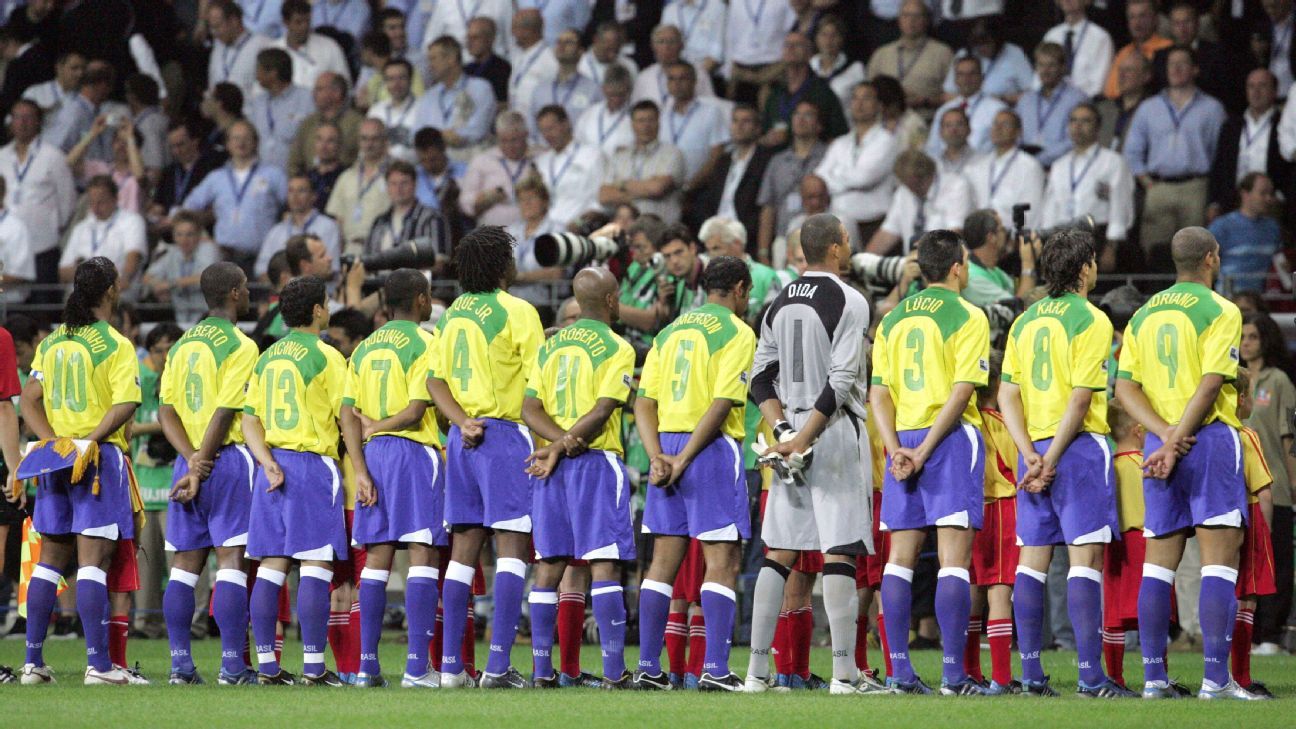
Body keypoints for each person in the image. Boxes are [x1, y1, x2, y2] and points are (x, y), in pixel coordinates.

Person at [1114, 226, 1258, 700]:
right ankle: (1215, 681)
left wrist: (1161, 435)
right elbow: (1214, 381)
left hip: (1158, 450)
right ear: (1212, 259)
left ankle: (1154, 679)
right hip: (1208, 442)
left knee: (1158, 565)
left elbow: (1124, 389)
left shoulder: (1142, 315)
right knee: (1219, 563)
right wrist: (1178, 438)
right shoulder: (1221, 310)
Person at [743, 213, 879, 695]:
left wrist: (784, 429)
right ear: (837, 249)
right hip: (833, 430)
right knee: (839, 549)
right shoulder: (851, 299)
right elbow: (842, 381)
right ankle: (845, 674)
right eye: (846, 239)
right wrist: (805, 437)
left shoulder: (778, 301)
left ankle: (757, 673)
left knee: (779, 552)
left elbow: (759, 377)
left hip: (790, 431)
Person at [997, 229, 1131, 698]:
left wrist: (1029, 454)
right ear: (1084, 268)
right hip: (1074, 452)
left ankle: (1032, 674)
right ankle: (1091, 676)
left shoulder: (1025, 321)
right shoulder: (1092, 320)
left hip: (1030, 448)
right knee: (1085, 559)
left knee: (1031, 562)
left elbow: (1006, 394)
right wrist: (1051, 458)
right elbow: (1078, 402)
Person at [869, 229, 990, 695]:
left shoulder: (894, 317)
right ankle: (953, 675)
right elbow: (963, 390)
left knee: (899, 561)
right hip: (949, 439)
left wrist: (896, 445)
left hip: (901, 440)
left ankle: (899, 671)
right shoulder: (968, 314)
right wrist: (923, 450)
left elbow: (878, 392)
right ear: (959, 266)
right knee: (953, 561)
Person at [427, 226, 545, 689]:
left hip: (463, 441)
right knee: (513, 548)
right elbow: (536, 387)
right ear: (501, 265)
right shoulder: (518, 311)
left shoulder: (454, 313)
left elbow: (435, 381)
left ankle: (453, 668)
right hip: (505, 436)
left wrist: (460, 421)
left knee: (463, 553)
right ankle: (497, 666)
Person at [634, 256, 756, 692]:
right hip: (708, 450)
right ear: (739, 289)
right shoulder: (739, 332)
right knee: (721, 560)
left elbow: (643, 402)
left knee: (663, 562)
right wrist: (685, 458)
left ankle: (649, 666)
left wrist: (657, 458)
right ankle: (716, 670)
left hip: (665, 446)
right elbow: (723, 401)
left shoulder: (669, 333)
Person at [19, 257, 141, 685]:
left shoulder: (52, 343)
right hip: (96, 461)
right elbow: (126, 403)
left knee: (49, 562)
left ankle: (32, 663)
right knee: (93, 561)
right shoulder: (116, 344)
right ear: (110, 290)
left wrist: (56, 443)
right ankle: (99, 666)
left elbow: (28, 399)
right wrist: (88, 441)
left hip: (57, 460)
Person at [520, 267, 637, 688]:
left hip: (550, 467)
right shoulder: (618, 347)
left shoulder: (549, 348)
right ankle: (612, 672)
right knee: (603, 562)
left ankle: (541, 672)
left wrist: (553, 445)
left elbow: (529, 410)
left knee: (548, 565)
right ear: (610, 301)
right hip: (594, 461)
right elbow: (605, 408)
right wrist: (569, 442)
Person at [336, 270, 445, 689]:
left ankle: (367, 667)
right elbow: (418, 409)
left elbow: (348, 413)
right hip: (412, 451)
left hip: (372, 459)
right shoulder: (426, 342)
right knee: (421, 552)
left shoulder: (364, 348)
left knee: (377, 559)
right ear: (420, 300)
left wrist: (360, 470)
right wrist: (380, 427)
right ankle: (418, 667)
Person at [243, 276, 350, 686]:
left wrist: (266, 461)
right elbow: (345, 417)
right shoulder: (327, 356)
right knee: (315, 564)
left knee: (272, 564)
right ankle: (313, 666)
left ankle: (268, 665)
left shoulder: (267, 357)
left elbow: (250, 419)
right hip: (311, 465)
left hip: (271, 466)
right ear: (318, 310)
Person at [155, 262, 258, 685]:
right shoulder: (240, 345)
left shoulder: (181, 345)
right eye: (247, 287)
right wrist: (203, 460)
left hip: (187, 462)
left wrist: (190, 459)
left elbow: (165, 410)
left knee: (184, 566)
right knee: (230, 562)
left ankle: (181, 665)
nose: (249, 292)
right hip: (226, 461)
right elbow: (226, 410)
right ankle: (233, 666)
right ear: (234, 293)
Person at [1124, 46, 1227, 265]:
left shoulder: (1213, 109)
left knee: (1195, 257)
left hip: (1196, 189)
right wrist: (1147, 182)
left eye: (1183, 63)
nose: (1176, 69)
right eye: (1172, 64)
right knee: (1154, 255)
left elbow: (1222, 156)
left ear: (1195, 69)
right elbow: (1131, 151)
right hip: (1158, 188)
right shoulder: (1148, 108)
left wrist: (1214, 196)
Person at [1239, 312, 1296, 658]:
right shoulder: (1235, 379)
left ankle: (1271, 634)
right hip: (1241, 490)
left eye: (1253, 337)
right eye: (1242, 337)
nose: (1246, 343)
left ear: (1267, 341)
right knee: (1249, 562)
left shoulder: (1280, 382)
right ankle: (1252, 631)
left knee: (1276, 562)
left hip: (1275, 488)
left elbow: (1290, 436)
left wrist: (1292, 484)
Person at [966, 352, 1020, 692]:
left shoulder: (962, 424)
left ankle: (969, 670)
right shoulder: (1000, 423)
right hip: (999, 507)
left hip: (964, 514)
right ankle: (1001, 676)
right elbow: (1018, 469)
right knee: (1000, 590)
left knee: (970, 591)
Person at [182, 119, 289, 272]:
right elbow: (189, 206)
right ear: (228, 144)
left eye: (246, 138)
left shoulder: (273, 175)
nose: (241, 143)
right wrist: (203, 236)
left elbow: (290, 206)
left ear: (256, 142)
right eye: (236, 138)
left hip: (263, 257)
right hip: (224, 257)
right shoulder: (216, 177)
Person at [1041, 103, 1136, 272]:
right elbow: (1050, 208)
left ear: (1098, 127)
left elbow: (1120, 206)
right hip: (1063, 238)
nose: (1078, 126)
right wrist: (1048, 244)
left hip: (1097, 236)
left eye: (1085, 121)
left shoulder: (1112, 162)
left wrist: (1111, 247)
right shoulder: (1059, 166)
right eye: (1073, 121)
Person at [1232, 370, 1278, 698]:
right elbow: (1264, 491)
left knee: (1221, 594)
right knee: (1245, 597)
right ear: (1241, 399)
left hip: (1212, 519)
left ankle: (1218, 673)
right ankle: (1241, 677)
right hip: (1248, 516)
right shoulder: (1246, 435)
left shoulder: (1205, 434)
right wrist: (1267, 532)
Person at [815, 81, 899, 243]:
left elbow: (863, 178)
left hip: (873, 223)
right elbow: (819, 179)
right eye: (855, 98)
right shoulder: (840, 143)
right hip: (837, 219)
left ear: (879, 106)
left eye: (866, 98)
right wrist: (845, 177)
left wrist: (835, 175)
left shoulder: (887, 140)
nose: (859, 103)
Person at [688, 104, 773, 241]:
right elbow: (711, 198)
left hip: (744, 233)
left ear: (758, 128)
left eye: (746, 121)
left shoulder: (766, 161)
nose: (739, 126)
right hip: (715, 229)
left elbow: (762, 205)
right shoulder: (724, 160)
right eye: (735, 121)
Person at [867, 150, 974, 255]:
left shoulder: (957, 186)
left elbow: (953, 234)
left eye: (912, 183)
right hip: (912, 265)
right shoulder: (904, 192)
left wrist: (925, 264)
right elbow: (887, 233)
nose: (909, 188)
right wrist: (864, 260)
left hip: (947, 263)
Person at [756, 101, 826, 261]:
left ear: (819, 125)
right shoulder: (777, 161)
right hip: (783, 238)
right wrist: (763, 252)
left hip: (819, 238)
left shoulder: (829, 156)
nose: (801, 119)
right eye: (796, 114)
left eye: (808, 115)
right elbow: (768, 207)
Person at [1215, 70, 1289, 219]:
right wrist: (1215, 202)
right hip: (1234, 202)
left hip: (1271, 202)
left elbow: (1289, 165)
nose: (1256, 92)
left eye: (1262, 86)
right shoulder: (1231, 125)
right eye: (1251, 86)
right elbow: (1219, 165)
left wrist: (1281, 196)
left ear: (1274, 91)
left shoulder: (1285, 124)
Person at [599, 101, 686, 224]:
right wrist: (645, 188)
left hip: (661, 230)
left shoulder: (672, 154)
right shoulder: (619, 156)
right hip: (625, 230)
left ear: (658, 123)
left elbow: (657, 188)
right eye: (641, 121)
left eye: (651, 120)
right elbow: (604, 195)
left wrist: (620, 184)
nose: (646, 126)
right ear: (632, 124)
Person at [416, 35, 498, 163]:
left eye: (433, 59)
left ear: (451, 59)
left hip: (471, 161)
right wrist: (444, 137)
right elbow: (417, 134)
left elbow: (477, 130)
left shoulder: (480, 88)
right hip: (435, 165)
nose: (430, 66)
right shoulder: (428, 96)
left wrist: (435, 138)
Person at [759, 31, 847, 148]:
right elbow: (761, 135)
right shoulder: (775, 94)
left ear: (810, 54)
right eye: (787, 45)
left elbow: (839, 136)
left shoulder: (823, 92)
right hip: (776, 160)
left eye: (797, 45)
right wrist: (767, 139)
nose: (791, 48)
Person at [866, 1, 953, 119]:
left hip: (926, 120)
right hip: (886, 125)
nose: (911, 21)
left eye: (917, 16)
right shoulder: (882, 54)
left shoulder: (943, 53)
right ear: (898, 19)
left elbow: (954, 96)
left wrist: (925, 101)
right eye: (906, 15)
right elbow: (867, 93)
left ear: (927, 20)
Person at [59, 175, 146, 290]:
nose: (95, 207)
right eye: (92, 202)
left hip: (115, 294)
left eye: (101, 202)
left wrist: (121, 281)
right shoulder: (81, 228)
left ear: (115, 199)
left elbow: (134, 257)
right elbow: (63, 272)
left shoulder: (132, 221)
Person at [966, 111, 1044, 229]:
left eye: (1005, 124)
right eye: (995, 124)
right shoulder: (977, 165)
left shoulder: (1029, 166)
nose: (998, 128)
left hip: (1010, 237)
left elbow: (1029, 210)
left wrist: (1014, 239)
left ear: (1018, 132)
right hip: (977, 237)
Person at [143, 211, 221, 327]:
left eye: (190, 234)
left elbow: (206, 277)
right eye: (179, 234)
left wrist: (171, 284)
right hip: (181, 317)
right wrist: (158, 287)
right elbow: (147, 277)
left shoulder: (209, 249)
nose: (184, 239)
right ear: (173, 236)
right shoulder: (172, 254)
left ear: (199, 235)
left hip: (210, 316)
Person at [1016, 43, 1088, 168]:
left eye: (1051, 65)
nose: (1045, 71)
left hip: (1062, 166)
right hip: (1023, 166)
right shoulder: (1026, 100)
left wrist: (1039, 160)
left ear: (1063, 67)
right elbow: (1014, 132)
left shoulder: (1078, 99)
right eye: (1041, 65)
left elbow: (1075, 139)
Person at [1208, 172, 1282, 293]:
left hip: (1263, 301)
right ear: (1245, 194)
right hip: (1229, 299)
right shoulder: (1221, 226)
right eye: (1263, 193)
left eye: (1271, 194)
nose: (1269, 198)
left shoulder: (1273, 228)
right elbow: (1205, 265)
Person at [257, 174, 342, 279]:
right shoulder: (276, 231)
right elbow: (261, 270)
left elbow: (332, 269)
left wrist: (300, 285)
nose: (295, 196)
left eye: (301, 190)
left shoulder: (328, 227)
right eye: (291, 191)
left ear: (313, 196)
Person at [659, 62, 728, 188]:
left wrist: (691, 186)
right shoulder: (662, 115)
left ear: (694, 81)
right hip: (664, 189)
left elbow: (717, 155)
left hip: (700, 189)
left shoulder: (711, 112)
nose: (677, 83)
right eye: (672, 79)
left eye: (682, 78)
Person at [326, 118, 392, 249]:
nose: (369, 144)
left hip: (383, 249)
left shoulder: (395, 176)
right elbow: (338, 222)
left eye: (375, 139)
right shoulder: (346, 177)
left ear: (385, 141)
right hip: (351, 249)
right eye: (364, 139)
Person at [459, 111, 532, 229]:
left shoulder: (538, 159)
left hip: (530, 233)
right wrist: (485, 200)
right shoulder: (482, 160)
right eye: (503, 140)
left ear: (525, 135)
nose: (509, 146)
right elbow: (465, 203)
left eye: (514, 140)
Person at [534, 105, 602, 230]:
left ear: (566, 124)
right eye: (543, 130)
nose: (547, 135)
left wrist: (580, 223)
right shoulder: (541, 162)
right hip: (545, 230)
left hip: (578, 229)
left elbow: (599, 200)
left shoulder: (591, 155)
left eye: (551, 128)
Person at [365, 160, 448, 263]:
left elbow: (439, 262)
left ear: (415, 184)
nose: (398, 189)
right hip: (380, 279)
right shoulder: (379, 222)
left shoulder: (432, 218)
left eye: (404, 183)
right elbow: (367, 260)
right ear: (387, 187)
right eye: (393, 184)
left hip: (416, 278)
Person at [926, 56, 1007, 159]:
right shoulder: (943, 110)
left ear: (982, 78)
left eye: (972, 74)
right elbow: (932, 148)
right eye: (961, 74)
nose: (966, 79)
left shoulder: (998, 110)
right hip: (946, 169)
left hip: (982, 169)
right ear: (955, 79)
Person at [249, 48, 314, 171]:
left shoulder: (307, 99)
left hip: (295, 176)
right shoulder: (257, 102)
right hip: (261, 175)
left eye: (259, 69)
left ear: (273, 73)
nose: (256, 75)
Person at [505, 177, 563, 315]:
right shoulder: (511, 231)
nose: (526, 204)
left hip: (544, 305)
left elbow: (556, 273)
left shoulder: (556, 231)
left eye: (531, 198)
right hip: (511, 305)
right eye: (521, 200)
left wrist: (521, 277)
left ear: (545, 201)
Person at [960, 209, 1037, 312]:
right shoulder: (972, 278)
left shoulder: (992, 269)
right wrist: (1028, 263)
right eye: (1002, 229)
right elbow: (1020, 309)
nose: (1006, 234)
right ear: (991, 237)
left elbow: (1018, 293)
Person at [288, 72, 364, 176]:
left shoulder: (357, 123)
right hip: (310, 187)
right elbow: (294, 162)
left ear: (337, 93)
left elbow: (363, 160)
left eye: (319, 89)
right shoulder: (308, 123)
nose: (313, 93)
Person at [941, 20, 1033, 106]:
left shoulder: (1014, 53)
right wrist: (972, 100)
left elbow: (1031, 94)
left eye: (986, 43)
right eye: (977, 44)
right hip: (967, 112)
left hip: (1003, 110)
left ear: (996, 40)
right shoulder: (964, 54)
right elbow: (947, 95)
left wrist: (1003, 99)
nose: (981, 48)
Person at [531, 30, 602, 137]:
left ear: (581, 51)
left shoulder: (593, 90)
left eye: (568, 42)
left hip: (578, 151)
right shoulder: (540, 89)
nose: (561, 46)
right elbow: (532, 127)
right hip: (544, 151)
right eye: (559, 42)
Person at [1040, 0, 1114, 99]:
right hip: (1050, 104)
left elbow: (1097, 87)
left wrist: (1069, 102)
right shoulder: (1051, 35)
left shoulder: (1100, 38)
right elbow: (1038, 81)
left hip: (1084, 106)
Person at [1103, 0, 1172, 101]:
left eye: (1142, 16)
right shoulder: (1123, 52)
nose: (1137, 22)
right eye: (1132, 17)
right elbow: (1111, 91)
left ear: (1155, 19)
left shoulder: (1169, 50)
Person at [634, 25, 716, 109]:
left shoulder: (698, 73)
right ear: (653, 46)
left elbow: (709, 104)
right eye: (661, 42)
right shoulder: (643, 77)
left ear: (681, 45)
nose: (667, 47)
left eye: (672, 41)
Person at [273, 0, 349, 90]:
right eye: (298, 22)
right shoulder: (274, 51)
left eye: (307, 21)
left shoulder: (330, 47)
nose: (304, 27)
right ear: (286, 22)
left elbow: (345, 86)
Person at [206, 0, 275, 100]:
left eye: (217, 26)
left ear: (234, 21)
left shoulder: (263, 45)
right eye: (211, 27)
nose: (214, 33)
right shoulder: (218, 47)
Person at [1097, 51, 1153, 152]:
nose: (1121, 75)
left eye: (1129, 70)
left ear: (1146, 76)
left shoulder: (1154, 112)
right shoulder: (1103, 109)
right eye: (1120, 70)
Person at [575, 64, 635, 158]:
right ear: (604, 89)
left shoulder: (635, 116)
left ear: (629, 91)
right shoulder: (590, 112)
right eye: (612, 94)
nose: (616, 100)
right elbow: (577, 141)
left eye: (621, 95)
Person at [367, 59, 419, 160]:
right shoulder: (375, 110)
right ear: (385, 82)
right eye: (391, 79)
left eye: (401, 78)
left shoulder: (423, 109)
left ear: (410, 80)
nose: (396, 83)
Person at [813, 15, 867, 112]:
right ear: (817, 38)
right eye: (824, 34)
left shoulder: (855, 69)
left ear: (841, 39)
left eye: (833, 35)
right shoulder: (809, 67)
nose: (828, 40)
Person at [21, 49, 85, 130]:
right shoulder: (35, 93)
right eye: (74, 68)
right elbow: (10, 123)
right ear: (59, 68)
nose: (80, 74)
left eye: (83, 69)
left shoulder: (85, 95)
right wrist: (37, 114)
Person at [464, 17, 511, 104]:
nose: (469, 43)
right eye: (468, 38)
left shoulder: (502, 70)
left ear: (490, 39)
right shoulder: (465, 70)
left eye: (475, 38)